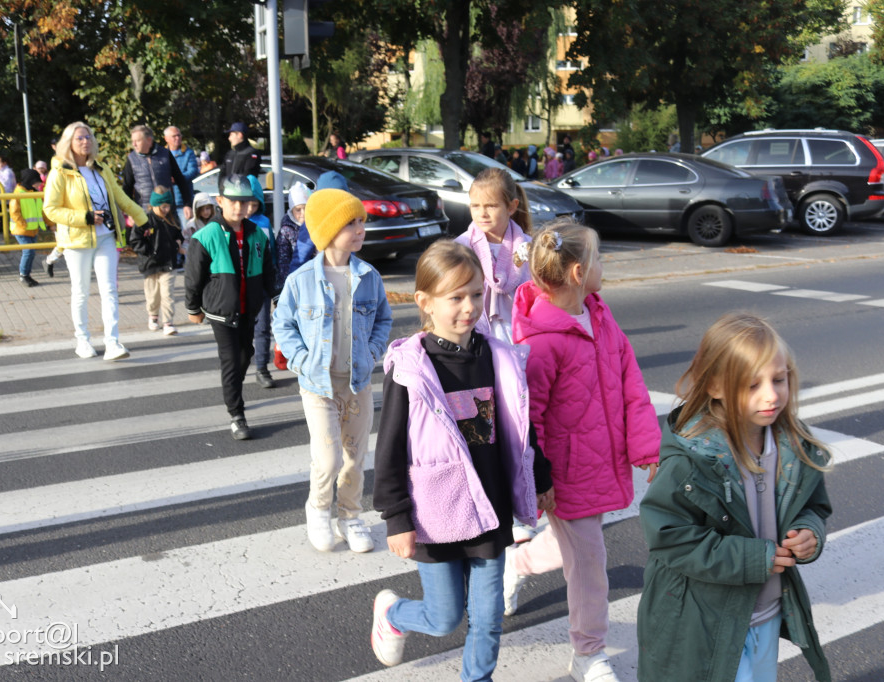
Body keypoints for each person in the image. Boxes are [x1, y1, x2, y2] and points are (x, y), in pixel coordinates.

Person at [369, 240, 554, 678]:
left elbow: (520, 428)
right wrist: (396, 518)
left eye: (475, 294)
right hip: (437, 512)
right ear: (425, 303)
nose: (468, 306)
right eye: (455, 297)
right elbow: (390, 446)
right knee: (444, 618)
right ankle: (393, 615)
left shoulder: (498, 358)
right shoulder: (410, 369)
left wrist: (540, 476)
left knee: (487, 620)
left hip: (490, 509)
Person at [637, 312, 833, 682]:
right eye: (751, 385)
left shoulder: (792, 443)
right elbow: (668, 537)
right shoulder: (691, 458)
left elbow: (812, 506)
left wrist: (810, 533)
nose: (771, 395)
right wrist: (751, 558)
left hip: (765, 613)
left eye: (779, 379)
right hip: (705, 621)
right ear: (715, 386)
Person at [508, 221, 660, 682]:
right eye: (599, 259)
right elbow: (526, 421)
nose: (604, 267)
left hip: (601, 459)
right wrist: (540, 481)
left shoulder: (599, 313)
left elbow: (629, 376)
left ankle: (517, 563)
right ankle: (588, 653)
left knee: (577, 544)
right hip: (565, 472)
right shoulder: (540, 343)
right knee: (591, 565)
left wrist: (647, 443)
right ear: (578, 272)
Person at [272, 187, 392, 552]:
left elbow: (383, 320)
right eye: (350, 223)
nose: (360, 229)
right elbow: (283, 325)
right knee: (328, 457)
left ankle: (350, 516)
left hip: (356, 383)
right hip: (317, 385)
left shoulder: (369, 275)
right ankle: (318, 509)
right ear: (327, 230)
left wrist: (372, 352)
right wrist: (302, 360)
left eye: (361, 222)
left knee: (355, 457)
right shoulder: (301, 280)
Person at [44, 121, 148, 361]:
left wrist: (143, 219)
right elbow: (51, 209)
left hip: (106, 238)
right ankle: (82, 340)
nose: (85, 141)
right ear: (68, 143)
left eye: (88, 137)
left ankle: (112, 343)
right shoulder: (60, 171)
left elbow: (120, 196)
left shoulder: (101, 168)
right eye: (79, 138)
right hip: (77, 241)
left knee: (109, 289)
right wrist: (85, 218)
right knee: (81, 292)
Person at [184, 174, 275, 440]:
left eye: (245, 202)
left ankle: (233, 386)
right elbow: (193, 277)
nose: (239, 207)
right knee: (231, 361)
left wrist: (277, 299)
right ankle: (237, 415)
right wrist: (193, 309)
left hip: (250, 309)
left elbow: (269, 271)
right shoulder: (206, 236)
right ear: (220, 201)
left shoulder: (258, 234)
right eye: (233, 201)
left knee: (246, 354)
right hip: (221, 312)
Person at [453, 167, 533, 344]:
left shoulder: (528, 247)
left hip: (520, 336)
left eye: (491, 205)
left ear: (511, 207)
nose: (482, 213)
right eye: (475, 206)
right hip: (473, 337)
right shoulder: (460, 248)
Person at [129, 185, 183, 336]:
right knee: (152, 295)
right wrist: (149, 252)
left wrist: (178, 241)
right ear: (154, 204)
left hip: (169, 263)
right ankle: (153, 317)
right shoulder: (144, 219)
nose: (166, 209)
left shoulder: (171, 219)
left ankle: (168, 322)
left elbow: (178, 234)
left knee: (168, 294)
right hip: (151, 264)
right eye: (163, 206)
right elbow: (135, 240)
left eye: (168, 206)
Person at [121, 124, 194, 222]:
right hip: (144, 213)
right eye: (132, 141)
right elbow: (127, 188)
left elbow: (180, 180)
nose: (134, 144)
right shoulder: (132, 159)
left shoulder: (165, 154)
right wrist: (129, 213)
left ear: (149, 140)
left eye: (137, 141)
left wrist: (187, 204)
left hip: (168, 212)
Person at [244, 174, 276, 388]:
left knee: (263, 328)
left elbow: (271, 254)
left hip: (261, 285)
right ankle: (239, 365)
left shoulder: (264, 223)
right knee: (243, 331)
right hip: (240, 287)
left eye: (254, 204)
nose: (249, 209)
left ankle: (262, 368)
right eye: (246, 203)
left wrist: (273, 286)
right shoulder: (233, 224)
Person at [288, 170, 347, 275]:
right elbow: (300, 257)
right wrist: (295, 283)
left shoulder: (349, 221)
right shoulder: (313, 222)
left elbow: (352, 253)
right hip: (320, 278)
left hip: (345, 275)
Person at [9, 168, 49, 287]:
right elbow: (14, 212)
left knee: (30, 253)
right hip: (21, 230)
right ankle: (23, 275)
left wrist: (51, 224)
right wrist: (23, 225)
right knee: (28, 252)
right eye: (37, 182)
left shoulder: (34, 193)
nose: (39, 184)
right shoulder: (18, 194)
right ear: (30, 181)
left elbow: (42, 212)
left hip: (32, 230)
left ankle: (27, 275)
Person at [163, 126, 200, 228]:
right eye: (174, 136)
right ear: (166, 139)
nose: (177, 138)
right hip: (167, 201)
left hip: (183, 201)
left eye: (179, 135)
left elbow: (193, 171)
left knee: (186, 232)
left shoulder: (188, 153)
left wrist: (178, 178)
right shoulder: (161, 154)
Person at [276, 182, 309, 291]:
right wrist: (286, 286)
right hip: (295, 280)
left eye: (306, 208)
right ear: (291, 210)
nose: (303, 213)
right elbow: (283, 261)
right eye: (298, 210)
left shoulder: (315, 226)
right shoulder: (286, 231)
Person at [185, 191, 216, 260]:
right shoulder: (191, 225)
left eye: (207, 208)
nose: (205, 212)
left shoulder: (216, 222)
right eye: (202, 209)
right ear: (197, 210)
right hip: (197, 256)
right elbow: (186, 241)